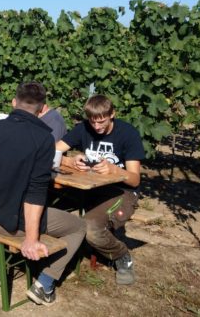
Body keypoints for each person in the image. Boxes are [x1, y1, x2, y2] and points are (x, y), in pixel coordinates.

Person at [0, 81, 85, 306]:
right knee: (79, 226)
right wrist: (31, 240)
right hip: (9, 223)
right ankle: (45, 284)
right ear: (42, 109)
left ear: (14, 102)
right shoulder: (43, 139)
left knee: (8, 196)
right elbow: (36, 192)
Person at [56, 94, 145, 285]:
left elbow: (135, 178)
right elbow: (54, 151)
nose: (97, 127)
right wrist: (68, 160)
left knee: (91, 229)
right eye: (93, 122)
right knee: (47, 203)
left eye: (102, 122)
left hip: (122, 192)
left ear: (112, 114)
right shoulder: (83, 128)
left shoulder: (128, 134)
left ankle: (122, 256)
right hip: (88, 188)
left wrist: (114, 170)